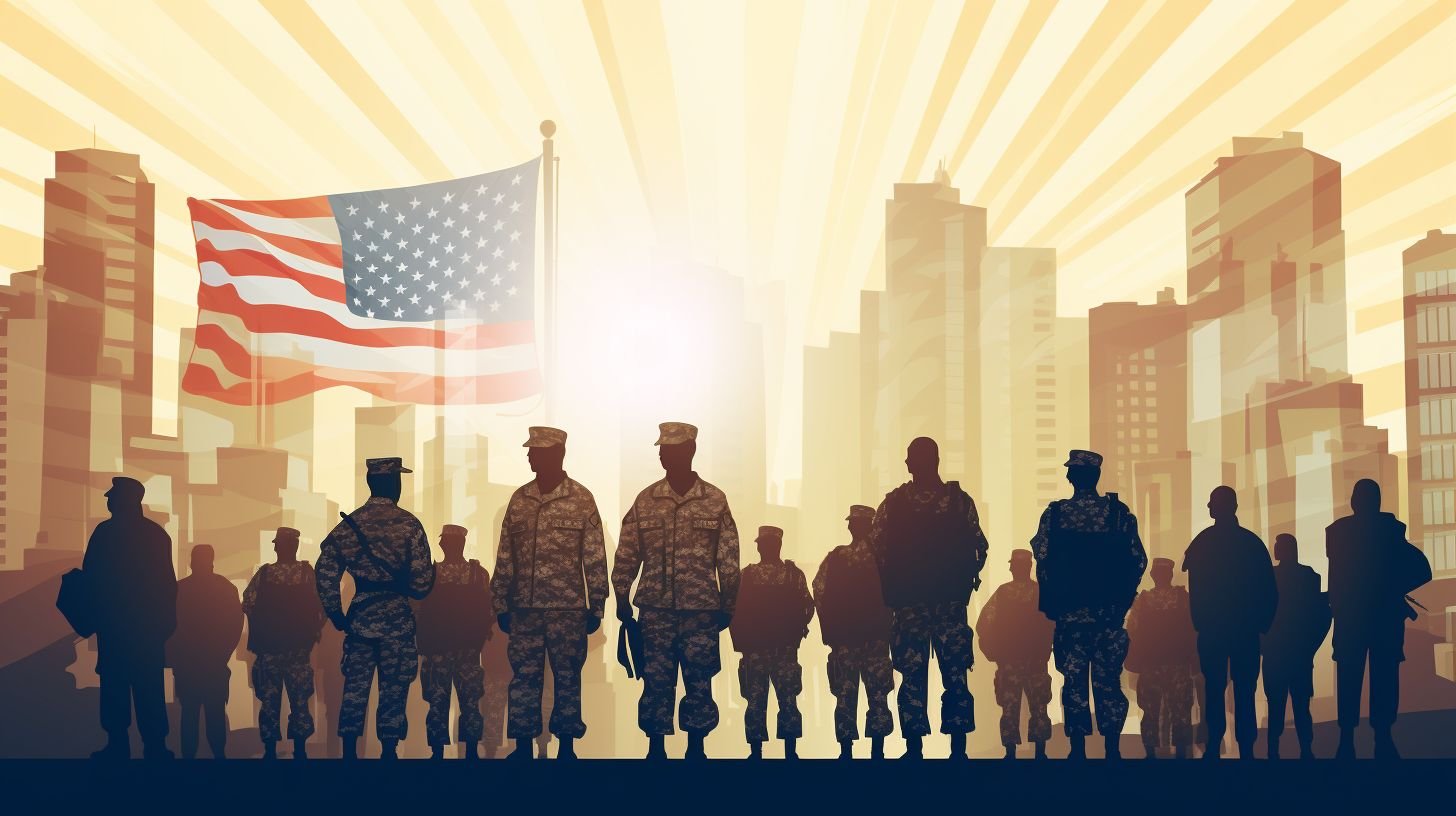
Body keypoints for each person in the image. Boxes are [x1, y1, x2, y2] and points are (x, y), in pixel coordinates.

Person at [613, 422, 740, 760]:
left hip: (701, 611)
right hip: (656, 609)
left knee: (699, 680)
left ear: (689, 450)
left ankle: (696, 746)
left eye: (669, 449)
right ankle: (656, 747)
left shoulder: (714, 500)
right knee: (656, 681)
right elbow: (627, 552)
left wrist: (728, 605)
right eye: (661, 449)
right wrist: (621, 595)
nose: (661, 454)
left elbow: (728, 556)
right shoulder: (646, 500)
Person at [493, 427, 609, 760]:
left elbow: (595, 555)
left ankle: (568, 745)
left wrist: (596, 605)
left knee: (567, 678)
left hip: (567, 609)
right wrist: (500, 601)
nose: (529, 455)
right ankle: (523, 745)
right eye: (529, 450)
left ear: (556, 454)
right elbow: (506, 556)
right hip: (524, 609)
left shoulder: (581, 499)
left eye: (536, 451)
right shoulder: (520, 499)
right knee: (524, 678)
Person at [869, 437, 988, 759]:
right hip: (948, 602)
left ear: (926, 461)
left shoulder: (893, 504)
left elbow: (876, 550)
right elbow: (980, 548)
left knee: (913, 677)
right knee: (955, 677)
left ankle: (915, 748)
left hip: (911, 604)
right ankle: (957, 749)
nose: (906, 464)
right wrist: (962, 582)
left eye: (910, 458)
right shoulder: (959, 502)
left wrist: (893, 587)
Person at [316, 457, 436, 760]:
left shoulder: (351, 524)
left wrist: (336, 613)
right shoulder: (409, 524)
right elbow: (422, 583)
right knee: (394, 689)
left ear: (371, 483)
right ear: (395, 483)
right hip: (397, 618)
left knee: (355, 689)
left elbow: (325, 570)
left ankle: (349, 752)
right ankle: (389, 751)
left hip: (360, 620)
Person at [1032, 450, 1145, 760]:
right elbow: (1138, 561)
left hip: (1071, 619)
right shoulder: (1118, 515)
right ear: (1096, 477)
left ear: (1072, 477)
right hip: (1107, 618)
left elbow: (1041, 558)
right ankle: (1111, 749)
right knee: (1108, 684)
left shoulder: (1055, 515)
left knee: (1074, 685)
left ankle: (1078, 750)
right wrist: (1121, 601)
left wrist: (1054, 599)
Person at [1326, 479, 1432, 759]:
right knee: (1379, 678)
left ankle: (1351, 740)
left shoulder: (1341, 533)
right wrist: (1392, 588)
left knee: (1354, 678)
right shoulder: (1388, 531)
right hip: (1379, 619)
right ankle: (1378, 738)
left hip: (1354, 618)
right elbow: (1422, 570)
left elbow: (1336, 580)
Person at [83, 476, 178, 760]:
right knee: (147, 685)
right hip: (145, 629)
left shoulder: (105, 533)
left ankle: (118, 745)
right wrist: (164, 625)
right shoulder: (155, 535)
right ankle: (155, 747)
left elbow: (90, 578)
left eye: (112, 496)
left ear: (125, 499)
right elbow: (168, 584)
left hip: (116, 627)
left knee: (116, 685)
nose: (108, 499)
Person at [1182, 486, 1276, 760]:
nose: (1209, 508)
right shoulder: (1251, 543)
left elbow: (1196, 589)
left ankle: (1215, 746)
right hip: (1244, 631)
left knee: (1214, 689)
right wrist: (1262, 627)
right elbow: (1269, 590)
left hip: (1214, 630)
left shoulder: (1202, 543)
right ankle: (1245, 747)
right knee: (1245, 690)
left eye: (1211, 503)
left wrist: (1199, 623)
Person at [812, 505, 894, 760]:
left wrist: (830, 629)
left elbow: (819, 591)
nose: (851, 526)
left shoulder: (837, 557)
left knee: (846, 695)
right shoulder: (883, 558)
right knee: (877, 695)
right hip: (875, 638)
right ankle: (877, 751)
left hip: (846, 639)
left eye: (853, 523)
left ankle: (846, 751)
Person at [731, 525, 814, 759]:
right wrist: (797, 631)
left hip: (757, 650)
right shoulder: (792, 575)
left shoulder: (747, 575)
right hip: (783, 649)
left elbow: (733, 610)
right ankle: (789, 752)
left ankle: (757, 752)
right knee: (786, 700)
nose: (762, 548)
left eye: (763, 544)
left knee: (757, 701)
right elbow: (808, 606)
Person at [243, 527, 324, 760]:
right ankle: (299, 749)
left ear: (279, 546)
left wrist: (264, 626)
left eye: (278, 543)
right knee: (300, 702)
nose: (277, 547)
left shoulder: (266, 574)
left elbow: (247, 603)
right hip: (298, 651)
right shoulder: (307, 573)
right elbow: (322, 607)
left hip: (270, 651)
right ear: (295, 546)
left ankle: (270, 751)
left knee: (269, 703)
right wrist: (312, 631)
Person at [416, 524, 490, 759]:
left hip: (442, 649)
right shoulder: (478, 575)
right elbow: (490, 611)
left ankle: (439, 753)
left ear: (443, 543)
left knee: (440, 702)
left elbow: (416, 610)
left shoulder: (430, 575)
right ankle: (469, 752)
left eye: (445, 541)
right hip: (464, 649)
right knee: (468, 703)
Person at [976, 549, 1054, 759]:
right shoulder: (1042, 593)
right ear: (1029, 567)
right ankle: (1040, 752)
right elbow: (1054, 625)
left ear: (1014, 568)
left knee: (1010, 707)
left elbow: (983, 624)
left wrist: (994, 652)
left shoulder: (1002, 594)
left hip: (1009, 661)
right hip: (1036, 661)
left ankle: (1010, 752)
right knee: (1039, 707)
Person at [168, 544, 243, 759]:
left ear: (191, 562)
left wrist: (176, 657)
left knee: (189, 713)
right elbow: (235, 625)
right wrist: (223, 654)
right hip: (215, 663)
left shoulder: (179, 589)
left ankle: (189, 761)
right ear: (212, 561)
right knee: (215, 712)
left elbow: (169, 626)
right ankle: (219, 757)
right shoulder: (226, 588)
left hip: (187, 665)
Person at [1261, 533, 1330, 760]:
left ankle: (1273, 750)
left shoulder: (1268, 577)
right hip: (1299, 653)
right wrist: (1310, 647)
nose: (1275, 550)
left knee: (1276, 706)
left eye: (1278, 546)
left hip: (1275, 652)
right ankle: (1306, 750)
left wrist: (1263, 644)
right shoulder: (1310, 577)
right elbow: (1321, 616)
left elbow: (1259, 616)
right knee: (1301, 707)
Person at [1126, 557, 1197, 759]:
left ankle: (1150, 754)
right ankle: (1181, 753)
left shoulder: (1143, 601)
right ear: (1170, 575)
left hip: (1152, 665)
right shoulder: (1183, 598)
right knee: (1181, 712)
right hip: (1178, 664)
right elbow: (1194, 629)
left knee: (1150, 712)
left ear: (1153, 575)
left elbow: (1132, 629)